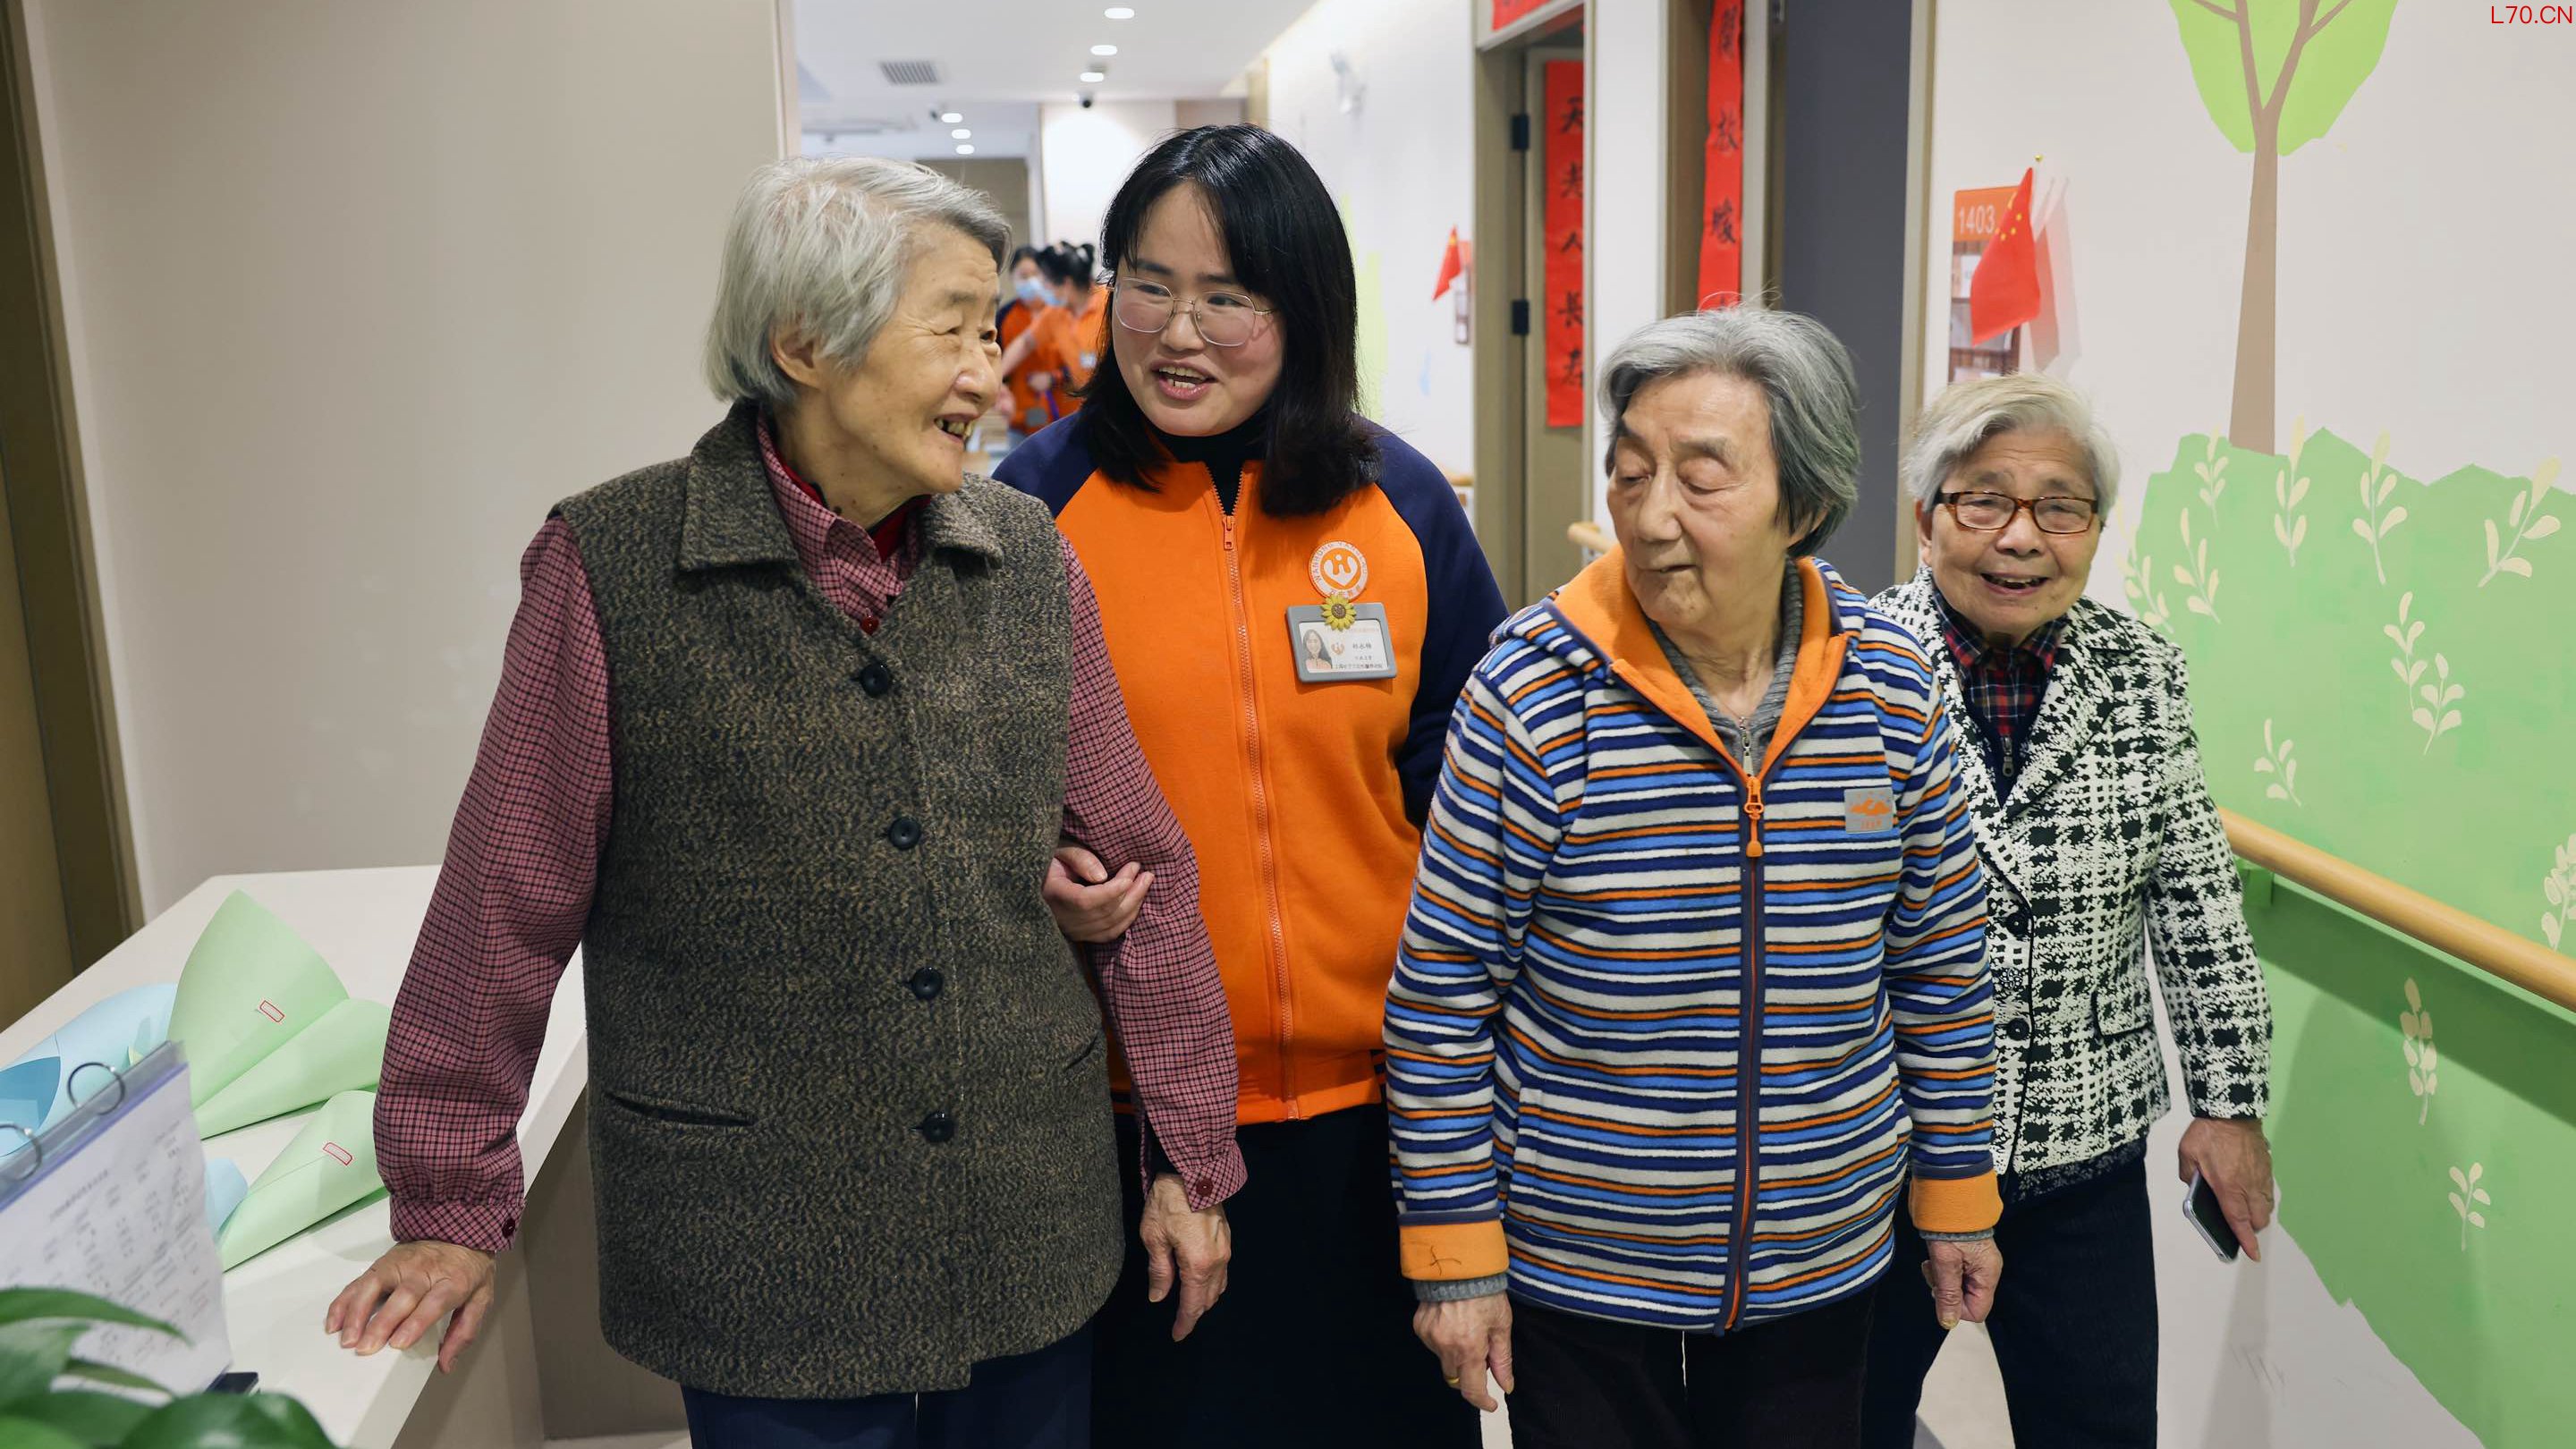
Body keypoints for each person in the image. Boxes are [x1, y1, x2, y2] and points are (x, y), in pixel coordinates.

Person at [323, 157, 1246, 1449]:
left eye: (992, 333)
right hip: (757, 1244)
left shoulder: (1028, 560)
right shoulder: (615, 566)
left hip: (1022, 1216)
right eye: (953, 331)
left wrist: (1191, 1159)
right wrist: (446, 1203)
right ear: (804, 343)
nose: (989, 375)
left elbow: (1143, 871)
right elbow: (504, 901)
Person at [1388, 309, 2006, 1449]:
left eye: (1701, 478)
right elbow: (1442, 999)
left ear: (1802, 506)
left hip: (1822, 1252)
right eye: (1631, 474)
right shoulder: (1533, 694)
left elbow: (1940, 968)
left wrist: (1959, 1194)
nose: (1650, 515)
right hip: (1580, 1264)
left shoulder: (1889, 688)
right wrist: (1455, 1257)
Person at [996, 124, 1508, 1447]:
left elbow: (1478, 777)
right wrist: (1030, 873)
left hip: (1388, 1115)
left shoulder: (1397, 499)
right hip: (1134, 1120)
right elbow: (966, 780)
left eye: (1228, 297)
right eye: (1149, 285)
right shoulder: (1030, 507)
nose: (1179, 333)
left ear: (1306, 307)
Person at [1861, 373, 2274, 1449]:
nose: (2021, 537)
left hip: (2080, 1155)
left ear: (2093, 528)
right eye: (1984, 500)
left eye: (2059, 506)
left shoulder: (2140, 670)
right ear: (1926, 517)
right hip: (1883, 1157)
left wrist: (2229, 1103)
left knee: (2099, 1429)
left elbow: (2195, 894)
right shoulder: (1847, 667)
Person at [998, 242, 1106, 428]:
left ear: (1066, 284)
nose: (1042, 289)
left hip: (1112, 407)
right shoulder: (1056, 312)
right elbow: (1026, 343)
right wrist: (996, 377)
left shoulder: (1108, 305)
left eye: (1045, 282)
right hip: (1080, 414)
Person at [998, 244, 1059, 438]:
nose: (1031, 281)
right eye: (1024, 276)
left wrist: (1053, 378)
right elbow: (994, 361)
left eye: (1035, 274)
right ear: (1012, 277)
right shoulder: (1004, 317)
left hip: (1062, 413)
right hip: (1020, 417)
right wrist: (999, 389)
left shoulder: (1059, 312)